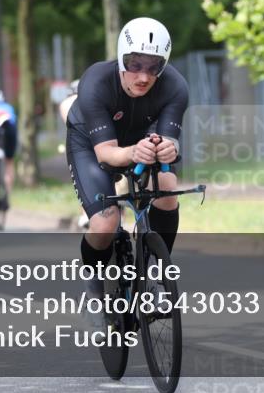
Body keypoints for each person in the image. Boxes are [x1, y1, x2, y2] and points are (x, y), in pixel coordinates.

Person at [65, 17, 188, 330]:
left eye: (154, 67)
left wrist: (168, 148)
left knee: (168, 192)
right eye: (134, 65)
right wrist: (134, 151)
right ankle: (93, 288)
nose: (143, 76)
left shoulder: (175, 87)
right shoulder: (95, 81)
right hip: (91, 143)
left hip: (141, 139)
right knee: (105, 222)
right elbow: (106, 154)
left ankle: (158, 278)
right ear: (121, 58)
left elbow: (170, 138)